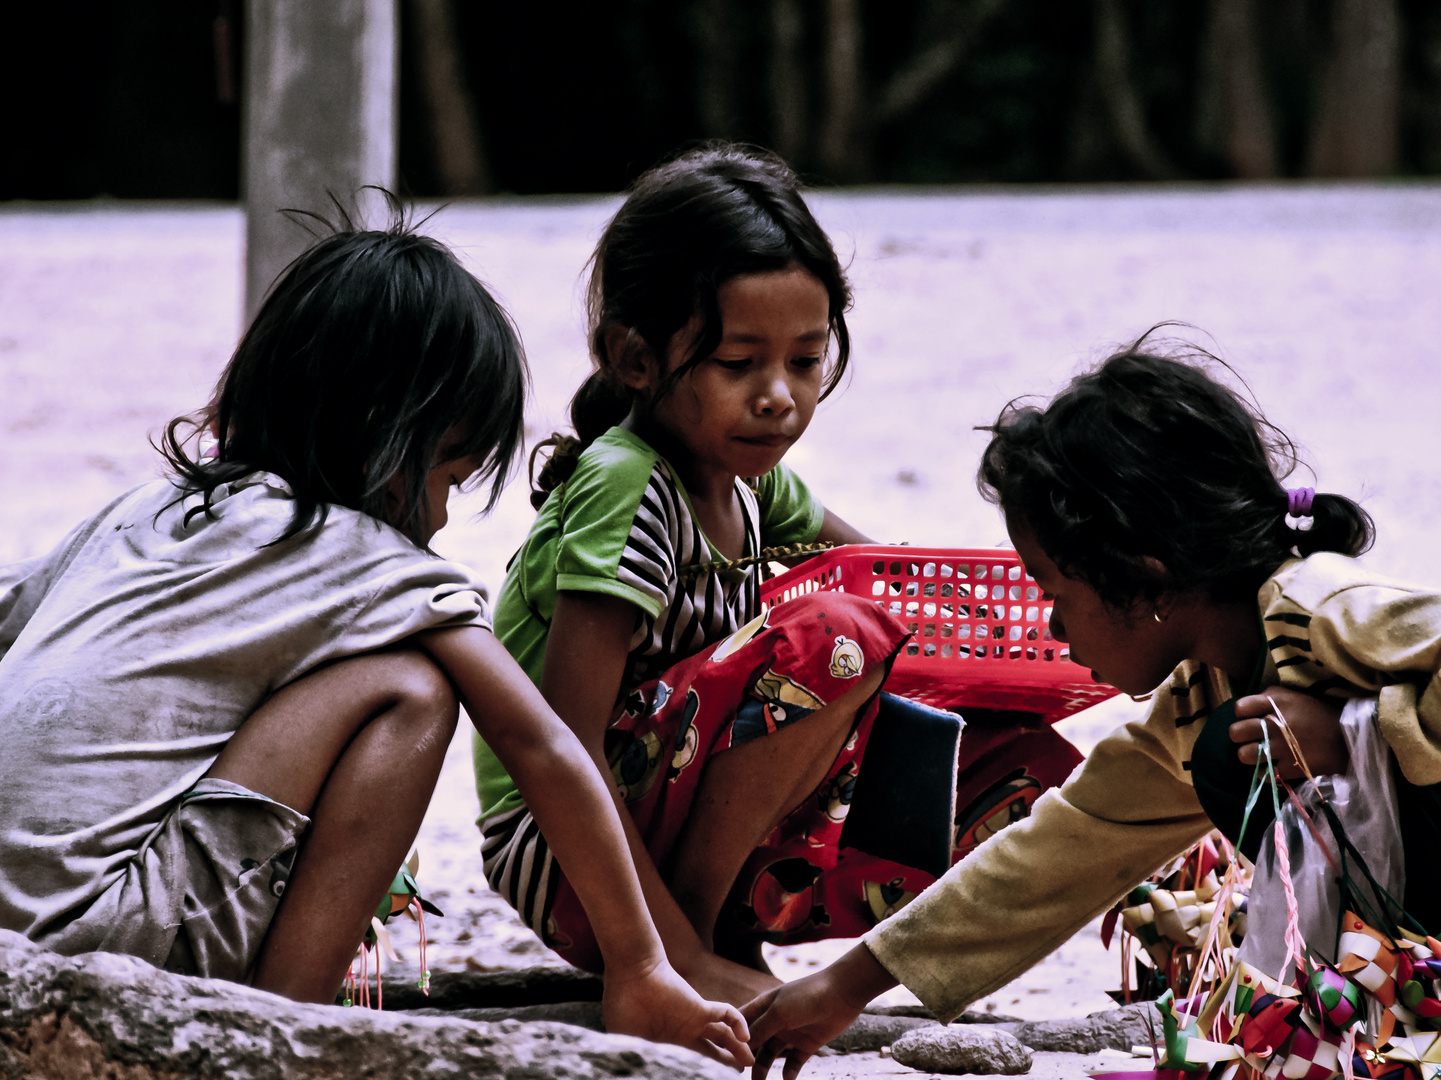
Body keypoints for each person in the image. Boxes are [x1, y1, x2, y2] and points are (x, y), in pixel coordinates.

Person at [0, 210, 750, 1067]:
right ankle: (283, 1032)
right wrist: (641, 964)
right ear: (381, 435)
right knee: (410, 687)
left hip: (7, 951)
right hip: (99, 944)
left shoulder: (147, 510)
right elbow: (538, 740)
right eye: (448, 478)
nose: (437, 518)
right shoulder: (364, 555)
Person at [471, 144, 1082, 1010]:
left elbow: (912, 594)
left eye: (804, 361)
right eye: (737, 364)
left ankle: (724, 935)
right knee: (835, 640)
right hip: (569, 854)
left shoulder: (755, 484)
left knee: (1011, 761)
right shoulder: (625, 482)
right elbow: (560, 744)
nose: (778, 397)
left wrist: (1054, 633)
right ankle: (689, 947)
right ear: (634, 359)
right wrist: (656, 957)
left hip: (673, 833)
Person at [742, 335, 1441, 1079]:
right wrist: (843, 988)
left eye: (1055, 593)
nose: (1050, 626)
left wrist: (1359, 731)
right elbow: (1064, 849)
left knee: (1232, 758)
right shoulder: (1205, 692)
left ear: (1144, 577)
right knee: (1227, 756)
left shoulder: (1325, 611)